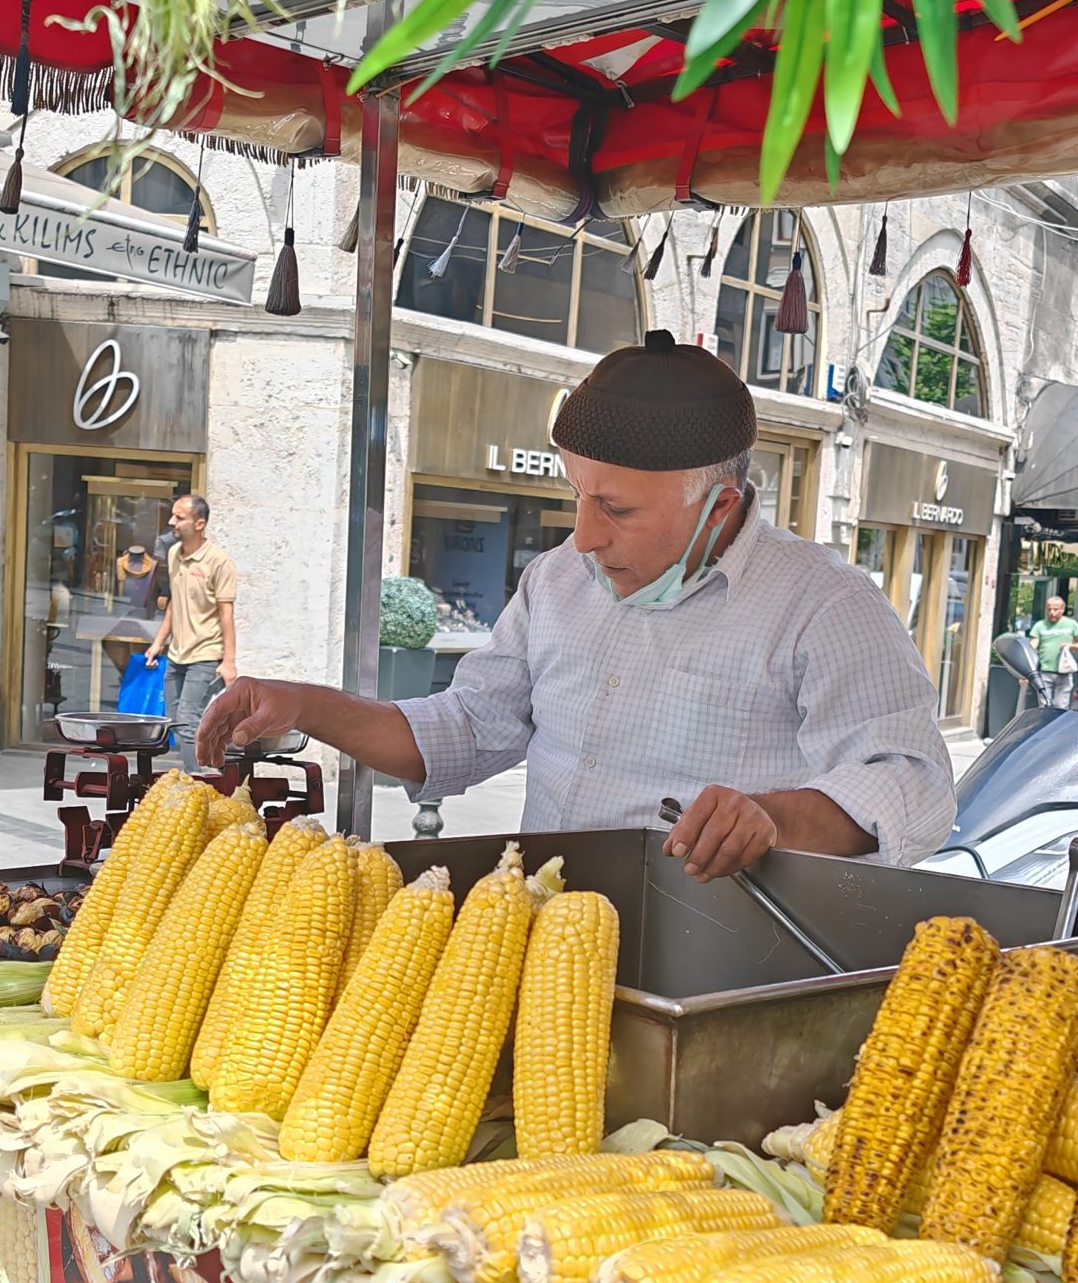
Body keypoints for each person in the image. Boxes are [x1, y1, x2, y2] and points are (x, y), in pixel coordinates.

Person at [198, 333, 956, 880]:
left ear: (719, 504)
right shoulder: (558, 583)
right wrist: (303, 706)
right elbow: (467, 728)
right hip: (542, 936)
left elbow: (913, 782)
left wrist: (774, 818)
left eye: (618, 510)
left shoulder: (822, 606)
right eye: (577, 498)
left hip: (715, 959)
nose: (584, 536)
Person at [145, 494, 238, 774]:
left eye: (179, 517)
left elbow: (226, 613)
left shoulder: (219, 562)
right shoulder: (174, 554)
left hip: (206, 654)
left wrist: (229, 661)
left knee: (187, 718)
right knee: (176, 720)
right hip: (177, 653)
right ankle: (203, 770)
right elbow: (175, 602)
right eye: (173, 515)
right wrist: (158, 643)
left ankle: (199, 779)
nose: (172, 522)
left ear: (199, 523)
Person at [1030, 595, 1078, 709]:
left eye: (1055, 609)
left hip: (1065, 673)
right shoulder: (1040, 626)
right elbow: (1031, 648)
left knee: (1060, 708)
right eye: (1049, 609)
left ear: (1062, 609)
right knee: (1044, 707)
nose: (1052, 612)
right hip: (1045, 672)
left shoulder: (1071, 625)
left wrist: (1071, 646)